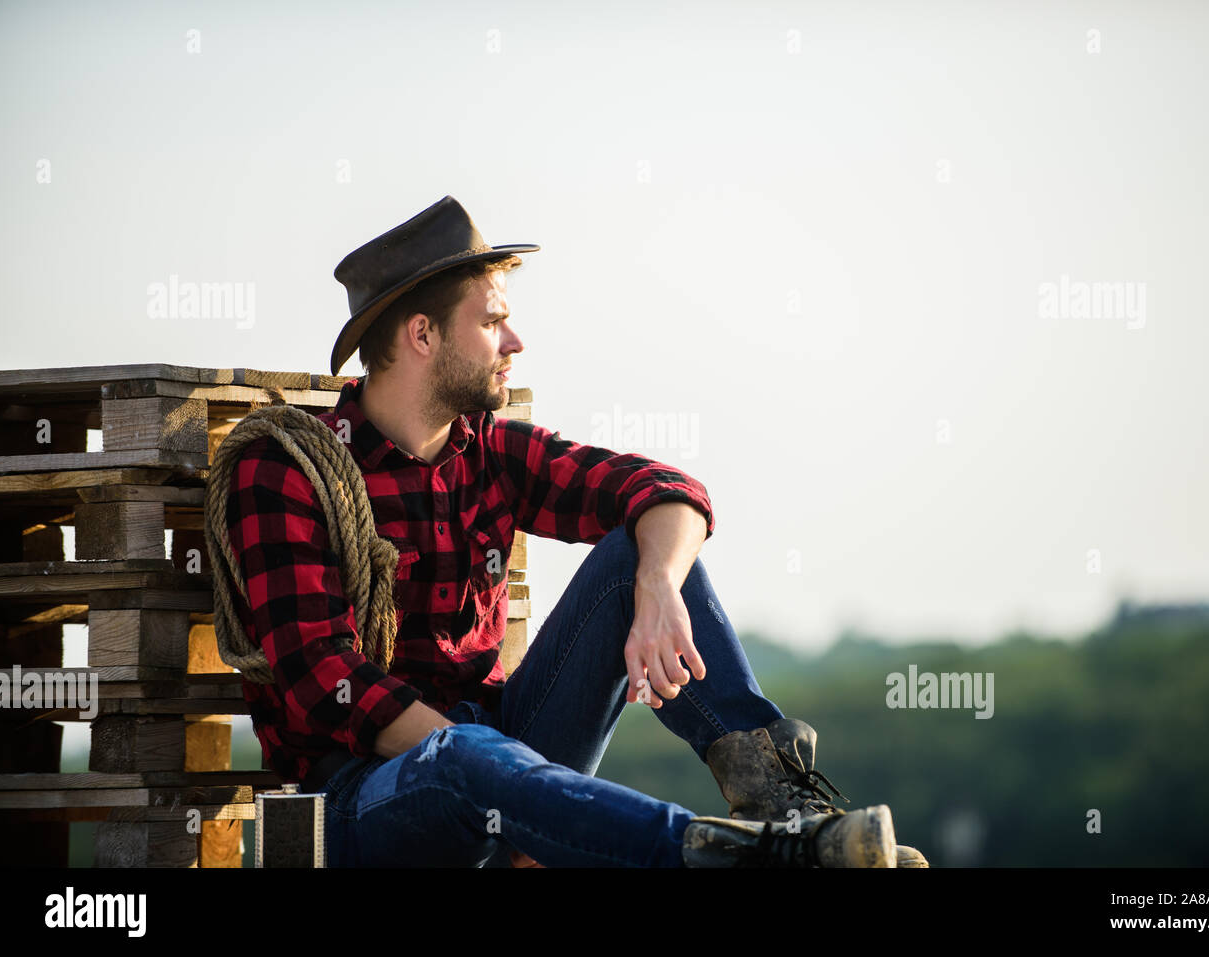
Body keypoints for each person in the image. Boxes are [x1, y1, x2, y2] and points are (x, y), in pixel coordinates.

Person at [221, 196, 926, 867]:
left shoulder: (490, 451)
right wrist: (501, 771)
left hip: (503, 762)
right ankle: (730, 856)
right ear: (423, 334)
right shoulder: (288, 471)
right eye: (493, 320)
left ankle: (786, 808)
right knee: (465, 754)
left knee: (633, 553)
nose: (516, 341)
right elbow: (322, 679)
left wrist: (654, 586)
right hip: (361, 804)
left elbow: (669, 492)